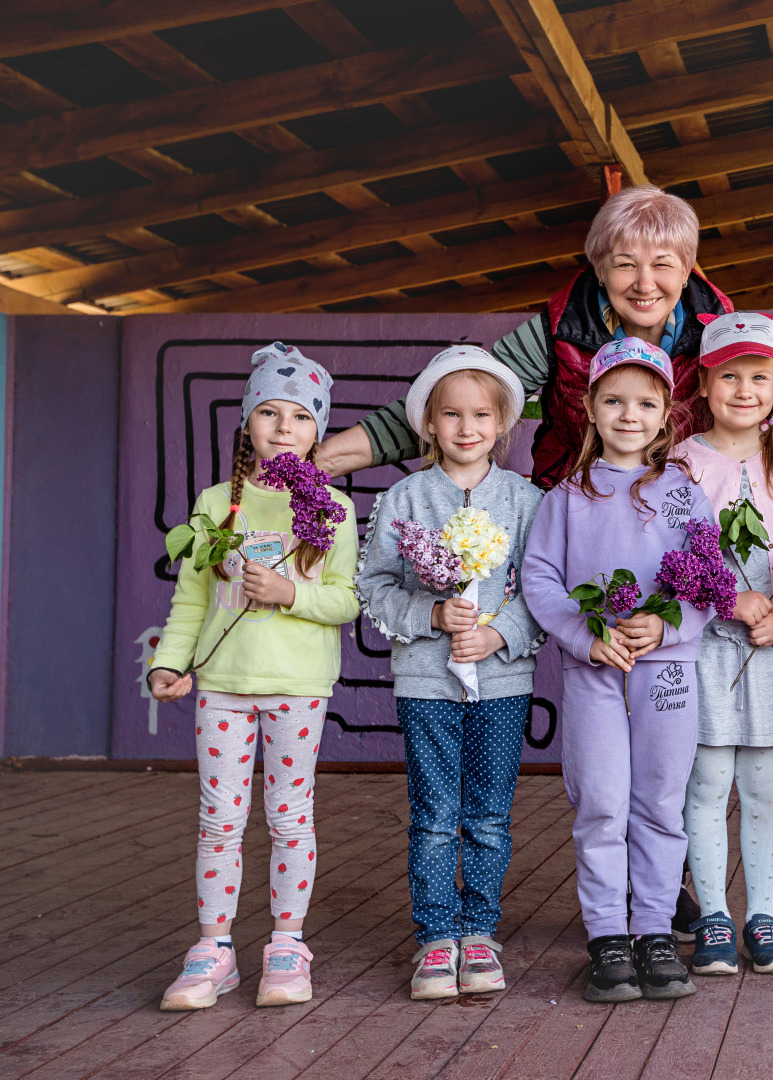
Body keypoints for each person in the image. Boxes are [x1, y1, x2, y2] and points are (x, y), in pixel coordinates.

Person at [312, 185, 773, 502]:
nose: (644, 281)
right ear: (599, 268)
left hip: (681, 501)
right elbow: (459, 401)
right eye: (625, 263)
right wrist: (316, 462)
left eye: (663, 264)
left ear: (687, 269)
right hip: (577, 498)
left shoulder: (725, 333)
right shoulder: (558, 327)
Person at [148, 343, 358, 1011]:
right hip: (223, 686)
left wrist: (290, 592)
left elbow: (347, 599)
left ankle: (287, 945)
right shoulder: (216, 502)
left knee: (291, 819)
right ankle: (214, 950)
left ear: (318, 430)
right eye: (268, 412)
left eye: (299, 416)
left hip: (298, 686)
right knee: (219, 820)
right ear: (247, 424)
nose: (283, 426)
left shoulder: (335, 510)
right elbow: (191, 600)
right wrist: (169, 663)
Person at [523, 338, 718, 1003]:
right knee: (601, 801)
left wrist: (668, 624)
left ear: (666, 411)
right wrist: (585, 637)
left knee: (662, 801)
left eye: (644, 402)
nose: (628, 414)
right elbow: (541, 579)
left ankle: (655, 931)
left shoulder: (684, 495)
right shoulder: (566, 498)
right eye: (613, 400)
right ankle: (608, 935)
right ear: (590, 408)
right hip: (595, 674)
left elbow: (710, 579)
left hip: (666, 673)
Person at [355, 346, 545, 1001]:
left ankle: (480, 931)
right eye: (451, 415)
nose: (467, 427)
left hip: (502, 682)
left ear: (503, 426)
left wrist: (498, 632)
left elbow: (545, 590)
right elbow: (373, 585)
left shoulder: (526, 500)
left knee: (488, 816)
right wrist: (432, 613)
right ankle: (437, 938)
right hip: (426, 682)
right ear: (428, 425)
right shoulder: (405, 497)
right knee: (435, 814)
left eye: (481, 415)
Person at [676, 313, 773, 977]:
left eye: (758, 376)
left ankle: (761, 914)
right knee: (706, 781)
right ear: (703, 383)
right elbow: (662, 558)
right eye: (729, 374)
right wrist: (721, 599)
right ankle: (712, 916)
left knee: (763, 785)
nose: (744, 388)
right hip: (703, 646)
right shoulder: (679, 463)